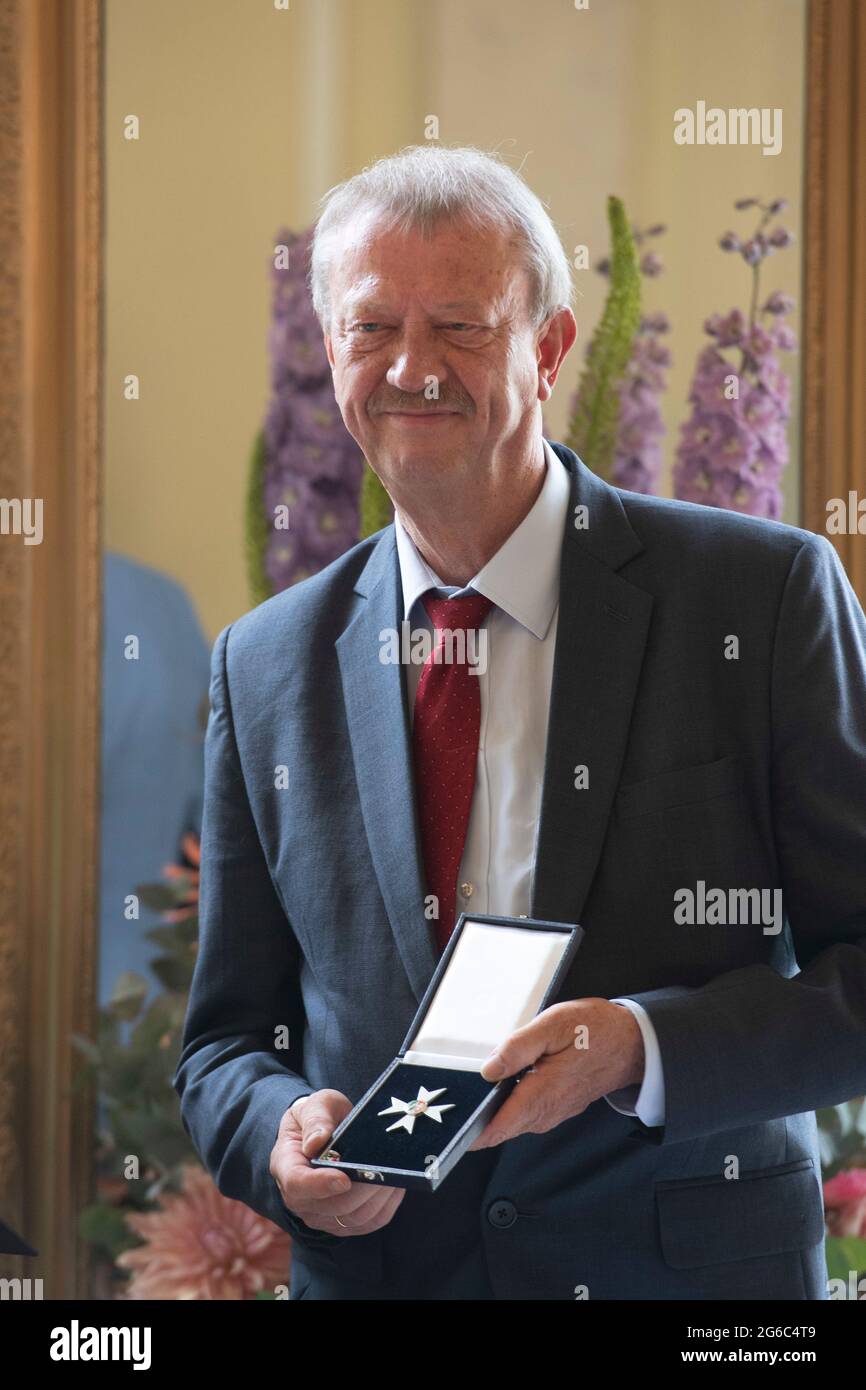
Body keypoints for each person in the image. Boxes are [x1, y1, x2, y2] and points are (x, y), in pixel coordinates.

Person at [174, 145, 866, 1300]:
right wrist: (282, 1131)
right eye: (371, 327)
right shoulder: (264, 662)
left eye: (458, 325)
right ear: (331, 351)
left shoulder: (761, 596)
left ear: (549, 347)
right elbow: (223, 1044)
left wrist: (637, 1051)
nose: (410, 366)